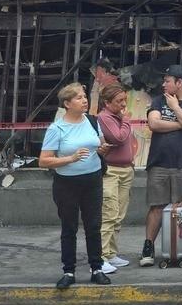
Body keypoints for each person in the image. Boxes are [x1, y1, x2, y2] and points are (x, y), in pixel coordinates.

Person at [39, 82, 112, 288]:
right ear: (67, 103)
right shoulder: (57, 128)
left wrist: (103, 150)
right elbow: (44, 160)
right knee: (69, 227)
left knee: (93, 225)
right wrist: (70, 159)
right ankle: (68, 271)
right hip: (67, 183)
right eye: (79, 97)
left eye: (84, 96)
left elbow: (99, 144)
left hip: (93, 179)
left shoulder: (92, 121)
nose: (85, 100)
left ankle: (96, 267)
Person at [139, 64, 182, 267]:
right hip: (159, 163)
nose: (163, 84)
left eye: (167, 80)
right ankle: (148, 246)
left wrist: (176, 108)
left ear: (179, 83)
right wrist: (181, 123)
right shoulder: (159, 101)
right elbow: (154, 124)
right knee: (156, 207)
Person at [97, 82, 137, 271]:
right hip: (111, 171)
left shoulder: (118, 116)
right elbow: (118, 137)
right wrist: (127, 120)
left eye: (124, 100)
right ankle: (101, 256)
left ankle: (111, 253)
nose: (123, 105)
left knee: (118, 215)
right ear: (107, 102)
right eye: (119, 101)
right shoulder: (105, 117)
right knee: (109, 213)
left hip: (126, 169)